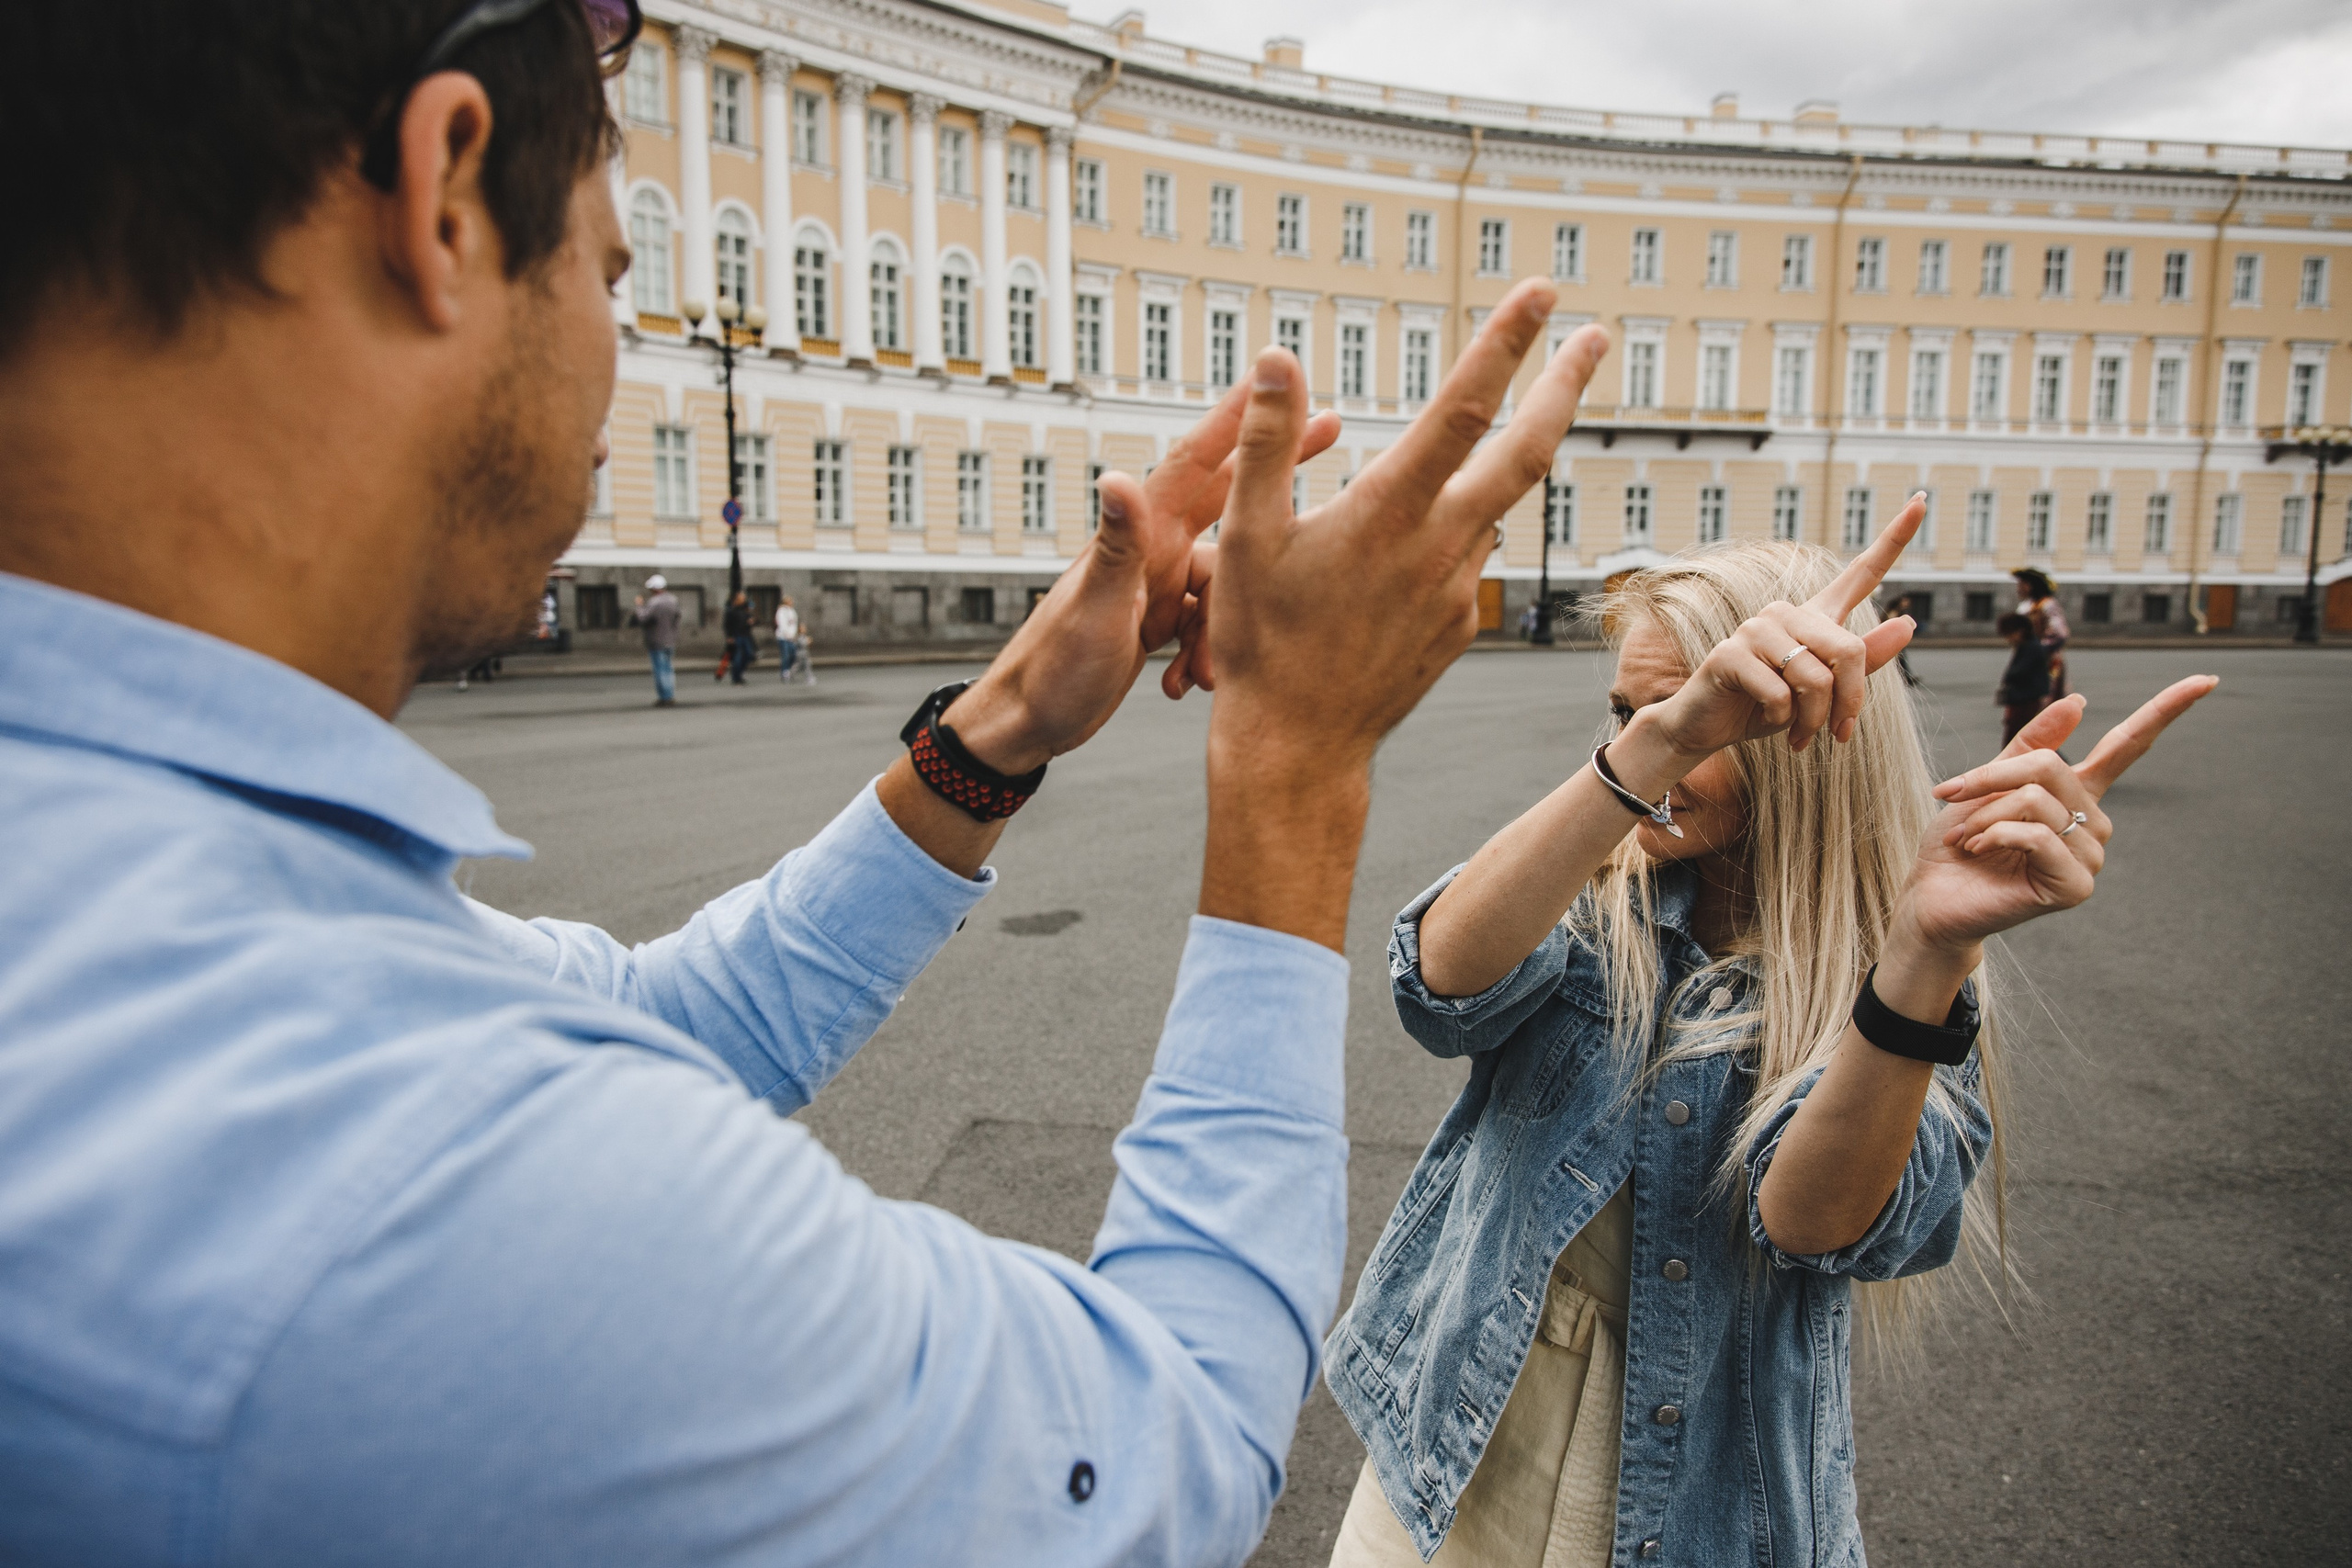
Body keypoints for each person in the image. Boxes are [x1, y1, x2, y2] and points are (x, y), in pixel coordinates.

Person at [0, 3, 1623, 1558]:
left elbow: (673, 1014)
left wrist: (992, 734)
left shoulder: (110, 899)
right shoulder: (409, 1162)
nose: (612, 337)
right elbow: (1158, 1453)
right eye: (610, 265)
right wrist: (1297, 760)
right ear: (444, 196)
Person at [1322, 511, 2213, 1568]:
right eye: (1627, 710)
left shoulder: (1897, 977)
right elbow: (1438, 989)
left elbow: (1813, 1223)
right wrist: (1661, 741)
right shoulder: (1598, 877)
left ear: (1804, 741)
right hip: (1447, 1445)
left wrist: (1925, 954)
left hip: (1694, 1496)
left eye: (1700, 710)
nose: (1647, 736)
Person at [1996, 609, 2052, 744]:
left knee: (2018, 741)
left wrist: (2009, 678)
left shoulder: (2031, 648)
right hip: (2024, 699)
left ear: (2020, 631)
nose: (2008, 639)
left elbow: (2018, 673)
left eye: (2009, 634)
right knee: (2028, 739)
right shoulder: (2028, 646)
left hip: (2025, 700)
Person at [2013, 567, 2069, 701]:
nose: (2018, 588)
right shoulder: (2028, 606)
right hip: (2029, 659)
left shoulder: (2047, 605)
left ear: (2031, 586)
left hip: (2045, 661)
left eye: (2022, 584)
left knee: (2046, 697)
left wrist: (2038, 649)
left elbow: (2060, 633)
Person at [630, 571, 679, 705]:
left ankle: (665, 697)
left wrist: (639, 606)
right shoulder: (673, 600)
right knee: (668, 668)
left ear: (654, 589)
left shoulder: (655, 602)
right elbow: (676, 619)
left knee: (660, 669)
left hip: (656, 641)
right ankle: (670, 694)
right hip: (670, 640)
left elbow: (643, 618)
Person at [1885, 591, 1924, 685]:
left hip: (1897, 640)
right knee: (1898, 661)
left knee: (1900, 660)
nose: (1907, 604)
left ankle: (1906, 678)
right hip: (1893, 640)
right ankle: (1905, 678)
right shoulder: (1893, 612)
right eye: (1905, 601)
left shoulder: (1899, 611)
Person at [718, 587, 754, 684]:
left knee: (748, 654)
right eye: (742, 598)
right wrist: (729, 636)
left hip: (746, 635)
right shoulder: (731, 610)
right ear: (736, 599)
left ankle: (740, 673)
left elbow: (752, 621)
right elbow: (727, 625)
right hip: (736, 635)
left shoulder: (745, 610)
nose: (743, 599)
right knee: (737, 657)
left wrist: (751, 622)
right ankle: (736, 677)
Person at [775, 592, 801, 682]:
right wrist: (787, 634)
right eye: (790, 601)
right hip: (783, 637)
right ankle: (785, 672)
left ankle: (789, 670)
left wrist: (794, 635)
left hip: (792, 637)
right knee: (785, 655)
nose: (791, 602)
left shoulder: (792, 611)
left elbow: (794, 624)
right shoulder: (781, 611)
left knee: (793, 654)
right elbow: (782, 624)